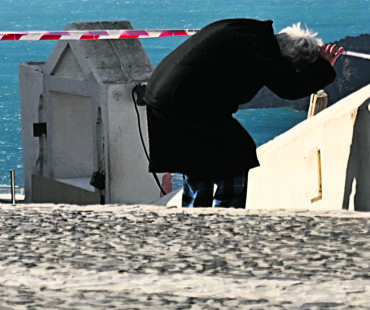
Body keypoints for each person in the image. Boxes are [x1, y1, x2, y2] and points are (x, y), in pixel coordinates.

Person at [144, 19, 342, 208]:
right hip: (185, 100)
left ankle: (196, 220)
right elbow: (290, 88)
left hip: (165, 93)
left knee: (197, 162)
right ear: (290, 60)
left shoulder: (253, 33)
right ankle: (226, 217)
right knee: (238, 154)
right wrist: (323, 66)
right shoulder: (262, 50)